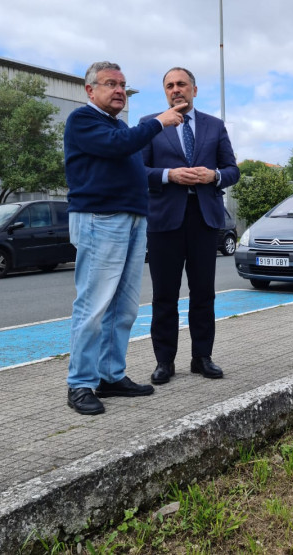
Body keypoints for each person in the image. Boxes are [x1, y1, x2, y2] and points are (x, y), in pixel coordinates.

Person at [64, 61, 186, 415]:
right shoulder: (83, 121)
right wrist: (159, 121)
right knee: (94, 305)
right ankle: (80, 383)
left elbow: (130, 161)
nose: (119, 90)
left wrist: (173, 176)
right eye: (111, 84)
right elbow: (118, 146)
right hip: (100, 219)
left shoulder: (119, 127)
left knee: (124, 307)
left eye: (123, 85)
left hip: (133, 220)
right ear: (90, 90)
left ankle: (110, 375)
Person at [140, 67, 240, 385]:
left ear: (194, 90)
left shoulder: (214, 125)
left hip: (204, 219)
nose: (176, 90)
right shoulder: (149, 126)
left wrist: (215, 176)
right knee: (164, 296)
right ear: (165, 92)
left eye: (181, 84)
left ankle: (202, 358)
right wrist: (169, 175)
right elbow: (137, 171)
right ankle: (164, 363)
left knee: (203, 294)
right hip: (164, 221)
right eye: (169, 86)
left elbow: (232, 170)